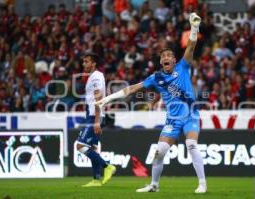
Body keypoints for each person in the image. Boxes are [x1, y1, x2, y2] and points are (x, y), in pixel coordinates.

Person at [96, 13, 207, 193]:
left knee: (191, 145)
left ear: (174, 60)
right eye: (163, 56)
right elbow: (132, 89)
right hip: (172, 120)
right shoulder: (156, 77)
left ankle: (202, 184)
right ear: (161, 61)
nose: (166, 57)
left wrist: (194, 28)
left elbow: (191, 47)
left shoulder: (183, 66)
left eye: (169, 55)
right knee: (159, 152)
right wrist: (107, 99)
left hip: (191, 115)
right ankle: (154, 186)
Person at [76, 52, 116, 187]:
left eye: (87, 61)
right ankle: (96, 180)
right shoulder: (94, 77)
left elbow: (99, 99)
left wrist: (97, 121)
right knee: (92, 147)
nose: (84, 64)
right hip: (93, 115)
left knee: (80, 146)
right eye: (83, 61)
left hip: (94, 116)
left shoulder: (96, 77)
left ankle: (107, 167)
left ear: (94, 64)